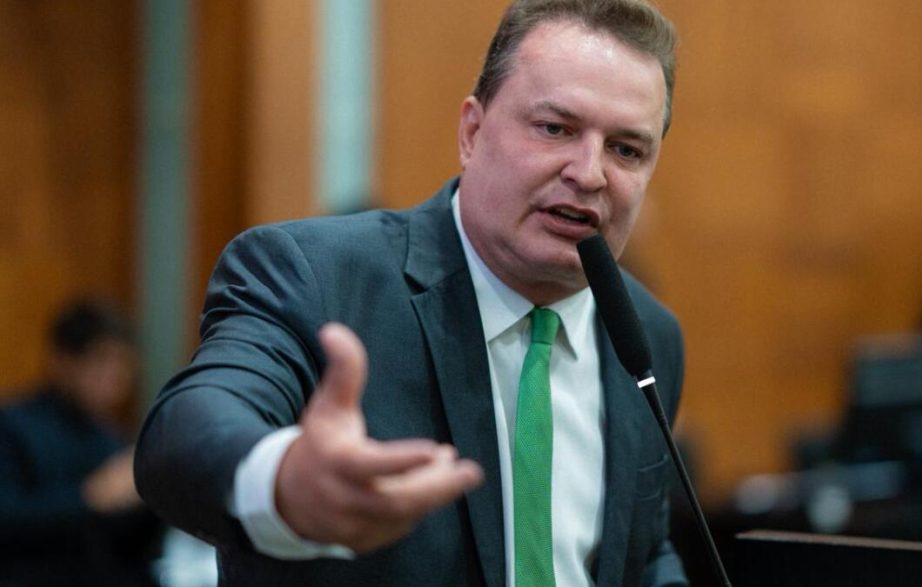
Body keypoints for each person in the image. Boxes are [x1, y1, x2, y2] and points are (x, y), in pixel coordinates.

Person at [135, 1, 688, 585]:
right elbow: (184, 431)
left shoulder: (648, 335)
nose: (590, 172)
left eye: (626, 149)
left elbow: (639, 552)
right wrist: (282, 481)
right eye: (555, 129)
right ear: (472, 133)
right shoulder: (313, 277)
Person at [0, 300, 161, 587]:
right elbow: (9, 518)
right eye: (101, 361)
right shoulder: (12, 426)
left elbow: (136, 549)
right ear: (62, 360)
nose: (114, 378)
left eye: (123, 365)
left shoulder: (111, 439)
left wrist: (154, 492)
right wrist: (90, 497)